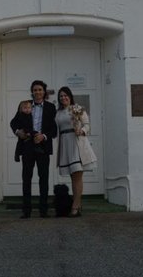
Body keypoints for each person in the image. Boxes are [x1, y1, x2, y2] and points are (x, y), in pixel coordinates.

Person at [10, 80, 57, 218]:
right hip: (27, 147)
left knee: (44, 179)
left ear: (44, 92)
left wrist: (43, 136)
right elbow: (13, 123)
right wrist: (18, 132)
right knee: (26, 179)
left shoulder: (50, 107)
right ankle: (26, 211)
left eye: (40, 90)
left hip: (43, 147)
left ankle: (43, 211)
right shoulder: (26, 105)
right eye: (35, 90)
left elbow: (54, 130)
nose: (37, 92)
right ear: (32, 92)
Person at [56, 86, 97, 217]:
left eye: (65, 95)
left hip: (77, 142)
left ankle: (75, 206)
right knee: (73, 176)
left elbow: (87, 125)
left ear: (70, 96)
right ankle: (77, 203)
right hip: (65, 143)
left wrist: (82, 131)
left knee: (77, 176)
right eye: (61, 96)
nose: (63, 97)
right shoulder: (58, 112)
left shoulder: (77, 109)